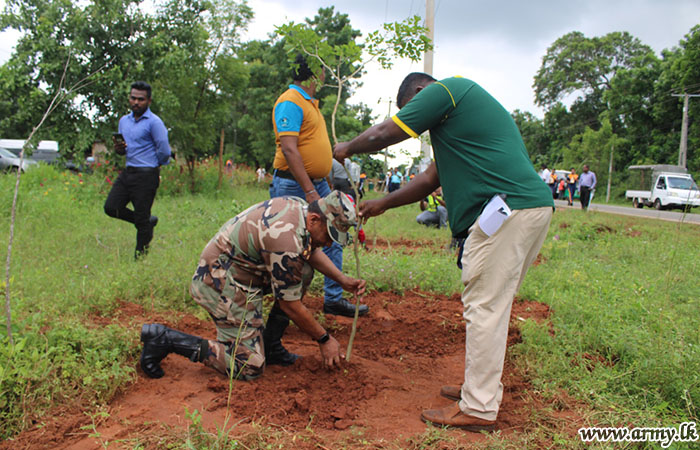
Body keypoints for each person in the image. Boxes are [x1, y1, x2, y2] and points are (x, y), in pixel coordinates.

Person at [334, 72, 553, 431]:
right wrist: (383, 204)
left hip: (508, 211)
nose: (416, 121)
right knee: (491, 305)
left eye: (413, 110)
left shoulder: (447, 90)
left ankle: (479, 408)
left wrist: (347, 148)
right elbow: (431, 178)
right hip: (526, 208)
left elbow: (386, 133)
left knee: (484, 307)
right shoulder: (458, 123)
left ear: (420, 93)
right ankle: (478, 390)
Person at [139, 191, 366, 381]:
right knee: (249, 366)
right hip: (219, 281)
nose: (328, 243)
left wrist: (342, 280)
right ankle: (165, 339)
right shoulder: (285, 239)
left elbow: (309, 251)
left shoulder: (301, 209)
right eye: (329, 236)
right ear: (315, 220)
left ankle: (272, 346)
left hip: (244, 272)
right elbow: (290, 305)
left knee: (303, 270)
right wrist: (324, 339)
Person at [269, 54, 369, 330]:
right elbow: (290, 149)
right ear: (316, 75)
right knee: (292, 243)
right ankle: (285, 309)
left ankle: (333, 298)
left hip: (318, 184)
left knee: (333, 235)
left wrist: (325, 183)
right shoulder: (290, 100)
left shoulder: (311, 103)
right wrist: (310, 191)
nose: (326, 75)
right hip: (294, 185)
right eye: (323, 70)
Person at [104, 81, 171, 259]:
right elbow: (124, 149)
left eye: (140, 99)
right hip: (128, 172)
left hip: (146, 175)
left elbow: (164, 150)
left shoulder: (154, 122)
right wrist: (120, 150)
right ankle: (148, 222)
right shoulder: (124, 121)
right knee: (111, 207)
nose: (136, 102)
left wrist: (154, 165)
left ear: (149, 101)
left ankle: (140, 259)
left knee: (142, 218)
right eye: (133, 98)